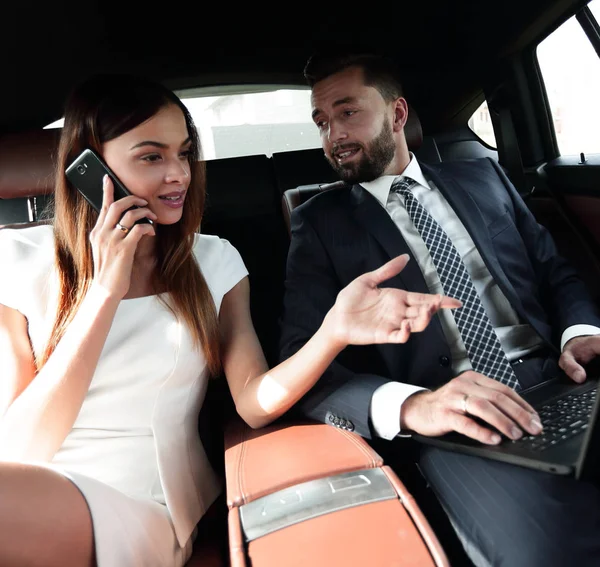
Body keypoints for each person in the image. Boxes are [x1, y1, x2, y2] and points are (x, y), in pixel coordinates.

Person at [0, 73, 456, 567]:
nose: (178, 174)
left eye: (184, 152)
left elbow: (255, 403)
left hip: (143, 503)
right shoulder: (17, 261)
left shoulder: (213, 262)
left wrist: (333, 332)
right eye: (151, 156)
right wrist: (106, 289)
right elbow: (25, 445)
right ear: (90, 167)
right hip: (34, 485)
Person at [279, 50, 600, 567]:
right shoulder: (319, 225)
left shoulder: (483, 178)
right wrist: (413, 407)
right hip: (455, 413)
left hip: (564, 378)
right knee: (548, 551)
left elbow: (555, 272)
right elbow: (304, 361)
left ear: (398, 114)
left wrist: (579, 333)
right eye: (322, 122)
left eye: (348, 112)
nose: (333, 135)